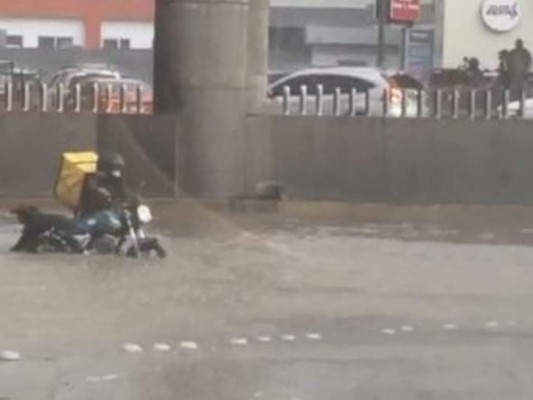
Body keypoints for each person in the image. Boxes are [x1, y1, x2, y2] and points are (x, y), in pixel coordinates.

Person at [71, 152, 129, 238]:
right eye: (115, 169)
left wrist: (130, 200)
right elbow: (92, 193)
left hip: (108, 212)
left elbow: (123, 194)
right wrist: (102, 193)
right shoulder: (92, 178)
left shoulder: (115, 180)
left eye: (119, 169)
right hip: (90, 213)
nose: (117, 172)